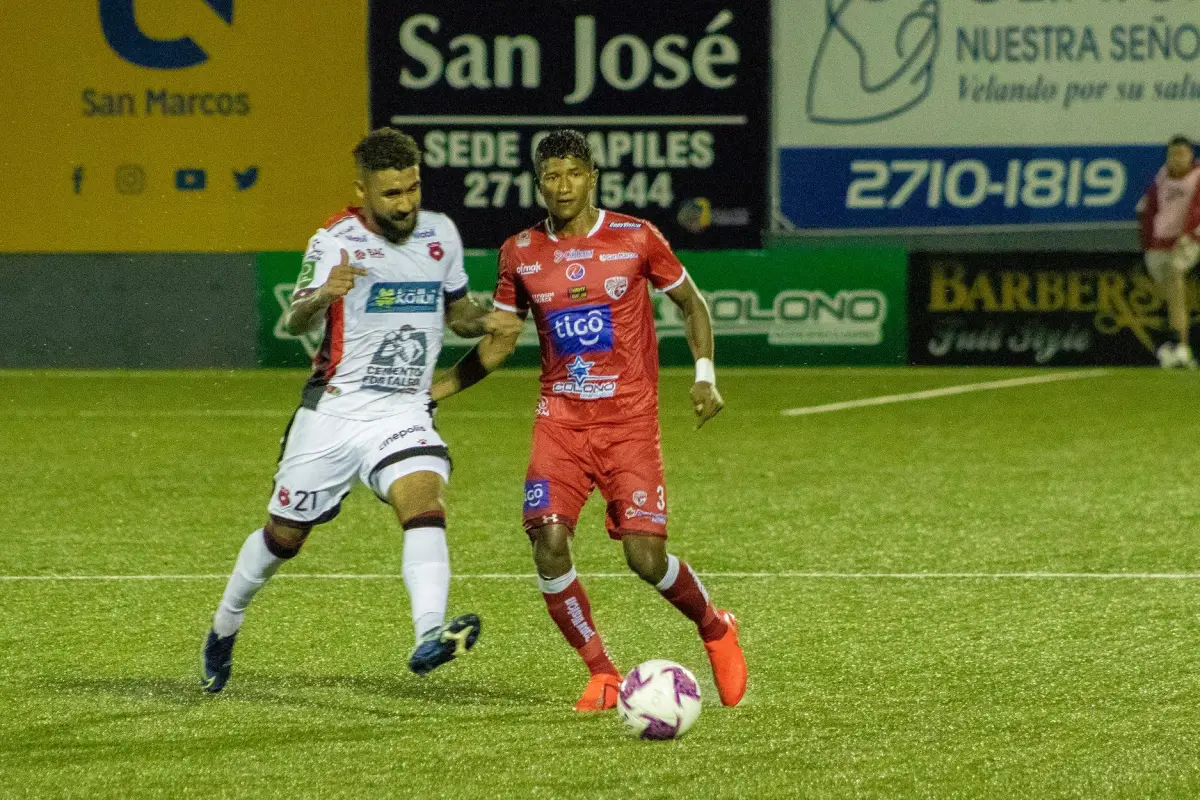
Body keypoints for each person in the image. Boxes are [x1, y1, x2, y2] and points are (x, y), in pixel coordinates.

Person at [430, 130, 747, 711]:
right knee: (548, 543)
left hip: (628, 423)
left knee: (645, 559)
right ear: (537, 180)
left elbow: (692, 303)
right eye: (551, 175)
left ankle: (713, 624)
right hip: (561, 423)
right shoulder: (519, 251)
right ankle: (601, 672)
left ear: (592, 175)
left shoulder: (635, 237)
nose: (562, 185)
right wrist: (442, 388)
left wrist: (704, 374)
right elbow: (501, 341)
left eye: (573, 173)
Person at [201, 128, 521, 693]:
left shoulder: (440, 234)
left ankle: (429, 633)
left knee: (424, 500)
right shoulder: (334, 238)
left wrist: (487, 318)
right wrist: (323, 293)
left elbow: (457, 315)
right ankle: (225, 625)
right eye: (392, 194)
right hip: (334, 410)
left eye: (413, 189)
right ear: (363, 190)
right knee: (284, 537)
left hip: (402, 413)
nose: (406, 204)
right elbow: (296, 320)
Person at [1137, 134, 1200, 368]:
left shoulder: (1197, 177)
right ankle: (1174, 343)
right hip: (1159, 244)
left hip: (1187, 240)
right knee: (1171, 297)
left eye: (1182, 154)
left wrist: (1190, 235)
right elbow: (1149, 209)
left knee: (1175, 277)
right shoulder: (1162, 176)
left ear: (1191, 155)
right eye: (1173, 154)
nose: (1177, 159)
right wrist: (1147, 242)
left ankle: (1182, 345)